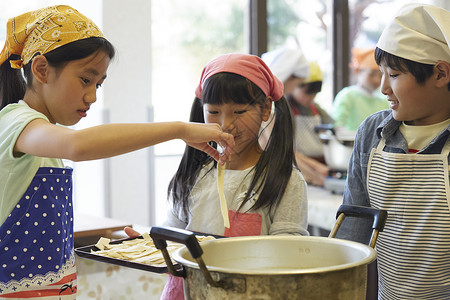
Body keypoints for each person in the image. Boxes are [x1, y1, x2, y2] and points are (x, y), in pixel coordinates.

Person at [0, 5, 234, 299]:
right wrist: (179, 129)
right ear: (41, 69)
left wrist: (117, 242)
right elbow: (78, 145)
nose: (93, 96)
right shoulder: (14, 122)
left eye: (98, 84)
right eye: (86, 79)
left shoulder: (42, 134)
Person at [162, 53, 309, 299]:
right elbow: (172, 235)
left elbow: (288, 252)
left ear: (266, 109)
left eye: (239, 111)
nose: (225, 124)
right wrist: (146, 242)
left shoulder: (285, 181)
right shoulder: (195, 174)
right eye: (213, 111)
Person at [337, 3, 450, 299]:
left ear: (440, 74)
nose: (383, 88)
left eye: (395, 75)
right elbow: (354, 230)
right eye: (381, 73)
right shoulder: (372, 134)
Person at [262, 48, 330, 186]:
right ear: (288, 77)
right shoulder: (267, 105)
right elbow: (275, 151)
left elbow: (286, 151)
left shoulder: (272, 103)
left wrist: (316, 168)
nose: (293, 89)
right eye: (297, 84)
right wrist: (313, 176)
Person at [288, 62, 334, 185]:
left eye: (314, 94)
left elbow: (334, 127)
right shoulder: (287, 109)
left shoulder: (316, 109)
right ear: (295, 85)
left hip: (321, 162)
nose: (311, 98)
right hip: (299, 163)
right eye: (307, 93)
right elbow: (289, 153)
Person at [332, 47, 389, 131]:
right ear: (358, 71)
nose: (377, 80)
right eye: (371, 74)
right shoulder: (347, 96)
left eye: (381, 76)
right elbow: (337, 125)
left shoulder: (383, 101)